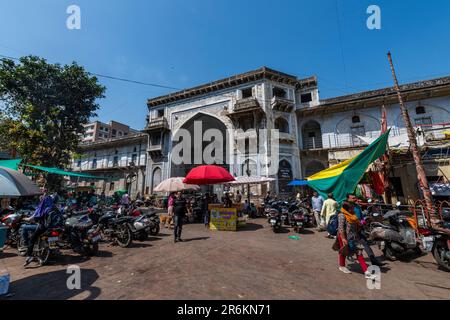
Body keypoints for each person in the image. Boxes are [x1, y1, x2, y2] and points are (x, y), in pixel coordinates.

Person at [337, 201, 375, 279]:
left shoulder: (353, 215)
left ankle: (366, 272)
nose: (354, 209)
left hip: (355, 237)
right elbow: (341, 228)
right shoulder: (342, 215)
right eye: (352, 208)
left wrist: (364, 222)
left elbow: (357, 224)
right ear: (347, 209)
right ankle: (342, 266)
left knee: (359, 253)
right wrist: (343, 239)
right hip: (344, 237)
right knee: (344, 251)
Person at [23, 191, 57, 266]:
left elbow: (31, 219)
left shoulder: (41, 207)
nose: (40, 197)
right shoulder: (53, 207)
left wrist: (25, 219)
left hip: (43, 227)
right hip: (52, 227)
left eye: (41, 196)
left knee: (31, 238)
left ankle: (29, 256)